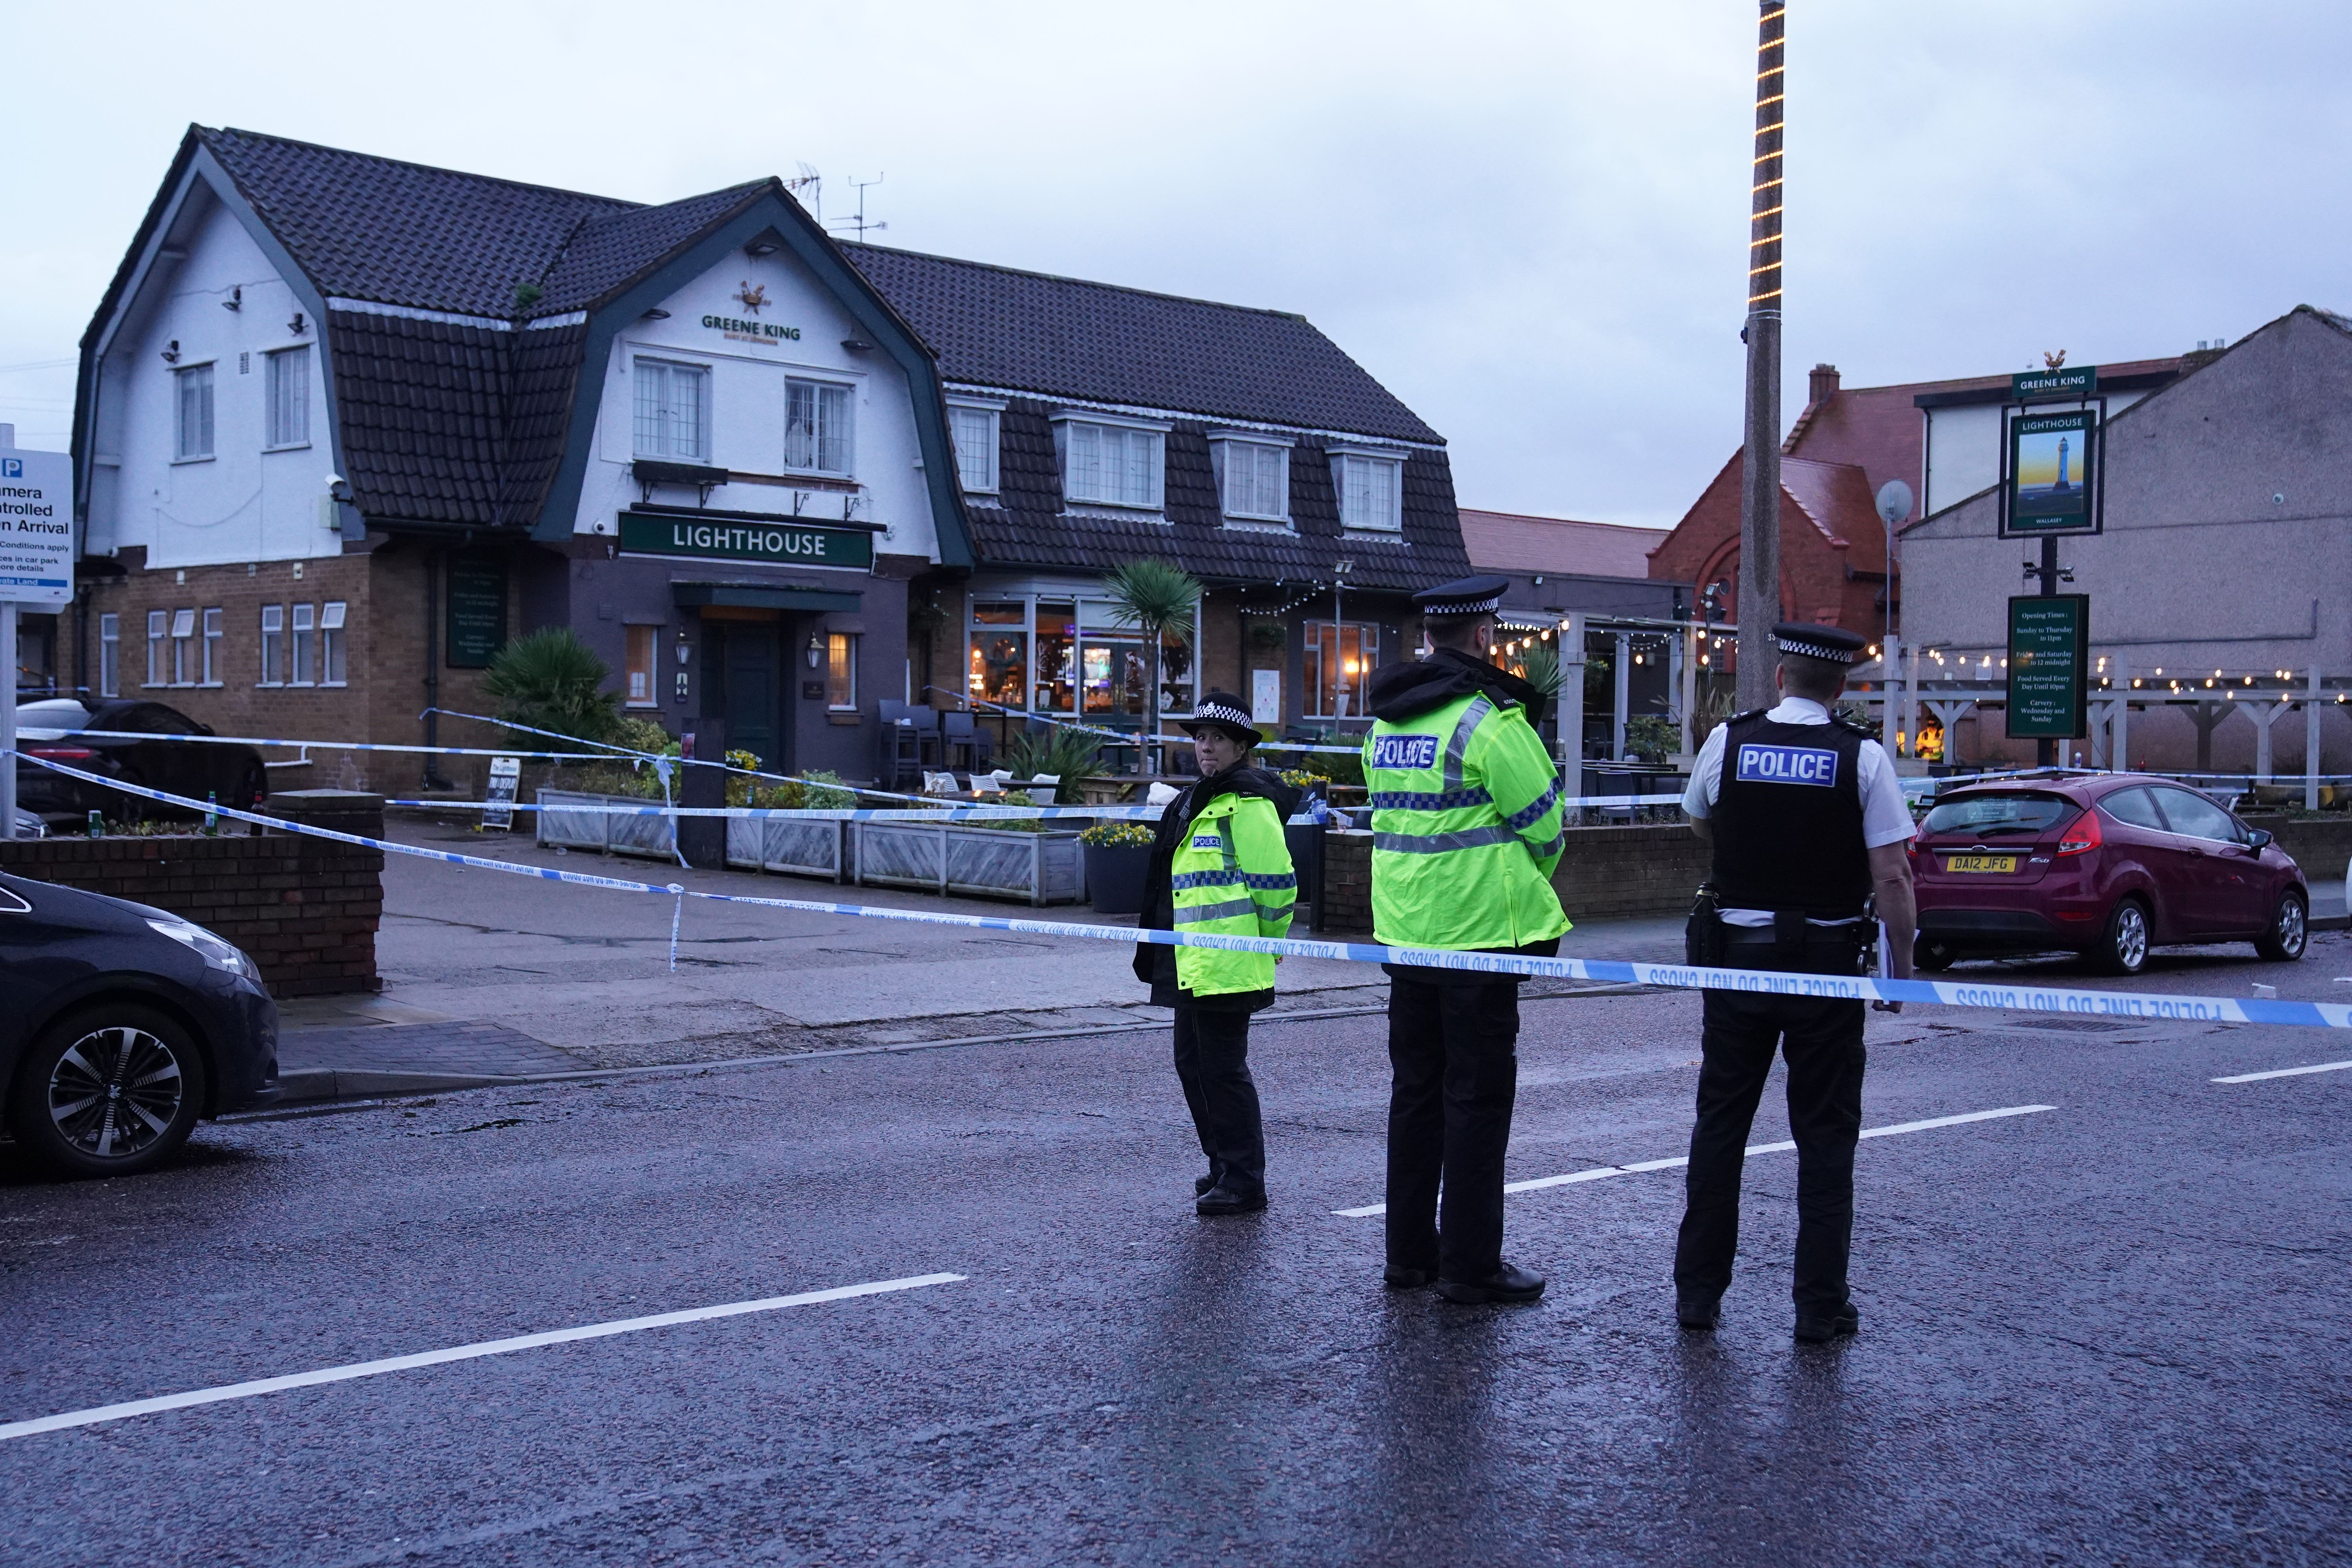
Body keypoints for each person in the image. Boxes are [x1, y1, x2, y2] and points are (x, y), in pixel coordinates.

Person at [1673, 622, 1918, 1344]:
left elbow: (1697, 823)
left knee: (1721, 1125)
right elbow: (1894, 875)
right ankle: (1818, 1306)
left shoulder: (1730, 741)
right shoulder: (1863, 758)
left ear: (1780, 678)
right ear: (1840, 688)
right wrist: (1900, 973)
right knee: (1825, 1136)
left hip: (1738, 962)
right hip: (1826, 969)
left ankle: (1698, 1295)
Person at [1362, 575, 1568, 1304]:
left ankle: (1408, 1255)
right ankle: (1471, 1266)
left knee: (1414, 1097)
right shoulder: (1491, 724)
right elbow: (1546, 830)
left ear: (1428, 639)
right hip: (1480, 941)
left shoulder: (1386, 726)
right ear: (1483, 637)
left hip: (1406, 939)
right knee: (1475, 1104)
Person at [1132, 690, 1302, 1216]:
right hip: (1191, 962)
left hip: (1228, 964)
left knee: (1223, 1071)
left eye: (1218, 739)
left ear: (1240, 747)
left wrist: (1270, 944)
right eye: (1201, 738)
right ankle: (1224, 1164)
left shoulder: (1247, 804)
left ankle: (1246, 1178)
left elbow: (1276, 884)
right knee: (1193, 1066)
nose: (1206, 748)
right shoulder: (1196, 799)